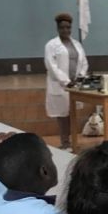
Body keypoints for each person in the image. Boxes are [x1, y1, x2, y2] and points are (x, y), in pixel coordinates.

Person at [45, 13, 88, 150]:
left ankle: (73, 141)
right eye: (62, 28)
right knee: (62, 115)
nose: (66, 30)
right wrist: (66, 81)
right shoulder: (51, 45)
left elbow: (84, 62)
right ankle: (65, 142)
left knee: (73, 114)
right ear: (58, 28)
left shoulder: (77, 44)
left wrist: (80, 76)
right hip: (61, 85)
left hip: (75, 84)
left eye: (68, 27)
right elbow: (51, 66)